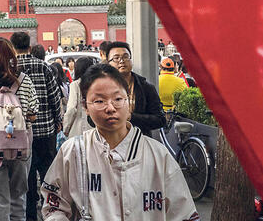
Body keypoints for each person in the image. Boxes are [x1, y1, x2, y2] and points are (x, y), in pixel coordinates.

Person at [40, 64, 198, 221]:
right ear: (85, 106)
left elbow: (183, 213)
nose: (110, 108)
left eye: (117, 99)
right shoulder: (73, 152)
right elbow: (54, 205)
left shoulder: (158, 155)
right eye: (99, 101)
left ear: (128, 101)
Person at [0, 38, 39, 221]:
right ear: (12, 54)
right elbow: (33, 115)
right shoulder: (24, 80)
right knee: (18, 196)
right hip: (22, 146)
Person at [10, 32, 64, 221]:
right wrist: (59, 120)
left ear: (13, 47)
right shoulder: (44, 66)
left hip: (21, 133)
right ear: (29, 47)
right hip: (46, 130)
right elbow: (54, 96)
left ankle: (30, 215)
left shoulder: (10, 68)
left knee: (27, 176)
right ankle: (50, 212)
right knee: (48, 173)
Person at [103, 42, 165, 136]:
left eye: (125, 57)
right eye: (116, 58)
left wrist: (131, 117)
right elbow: (91, 119)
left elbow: (160, 120)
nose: (122, 61)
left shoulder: (146, 87)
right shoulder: (102, 87)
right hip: (109, 143)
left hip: (139, 142)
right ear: (108, 63)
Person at [61, 57, 97, 138]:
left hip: (78, 130)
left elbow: (71, 109)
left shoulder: (76, 85)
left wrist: (66, 128)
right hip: (94, 129)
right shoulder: (96, 84)